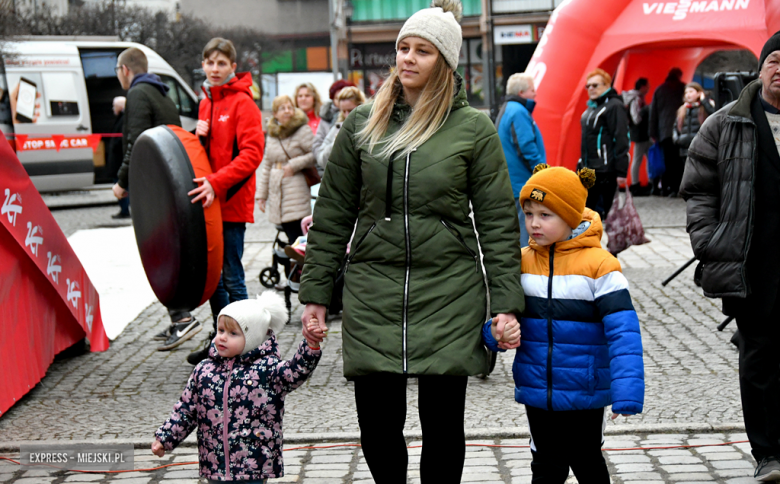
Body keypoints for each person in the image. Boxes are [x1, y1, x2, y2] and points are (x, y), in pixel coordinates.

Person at [298, 0, 524, 481]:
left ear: (444, 62)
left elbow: (499, 222)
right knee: (378, 429)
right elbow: (333, 213)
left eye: (422, 50)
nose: (407, 58)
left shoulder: (473, 129)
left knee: (443, 430)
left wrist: (506, 302)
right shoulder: (362, 123)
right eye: (403, 47)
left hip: (449, 292)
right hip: (373, 290)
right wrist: (316, 293)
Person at [485, 164, 644, 483]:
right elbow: (494, 316)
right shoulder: (521, 262)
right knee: (545, 465)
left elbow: (623, 332)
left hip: (585, 388)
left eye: (545, 215)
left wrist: (627, 390)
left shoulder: (601, 266)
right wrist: (495, 333)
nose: (533, 223)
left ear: (571, 215)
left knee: (587, 460)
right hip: (536, 389)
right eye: (529, 213)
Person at [679, 31, 780, 482]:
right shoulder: (724, 123)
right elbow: (699, 190)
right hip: (751, 264)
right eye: (775, 60)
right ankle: (767, 452)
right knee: (758, 354)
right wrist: (710, 243)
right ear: (760, 69)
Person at [151, 291, 321, 483]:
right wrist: (165, 438)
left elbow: (295, 371)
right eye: (220, 330)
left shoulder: (267, 370)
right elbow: (186, 410)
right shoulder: (204, 371)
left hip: (254, 464)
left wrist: (310, 345)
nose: (222, 337)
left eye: (233, 333)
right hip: (215, 463)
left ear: (252, 339)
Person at [109, 47, 201, 349]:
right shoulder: (160, 91)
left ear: (125, 69)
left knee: (158, 250)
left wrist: (122, 182)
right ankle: (177, 316)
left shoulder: (138, 94)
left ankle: (181, 317)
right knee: (167, 248)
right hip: (166, 181)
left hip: (150, 185)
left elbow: (135, 142)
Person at [186, 38, 265, 365]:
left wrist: (217, 184)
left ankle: (252, 344)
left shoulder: (243, 103)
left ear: (233, 67)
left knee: (231, 277)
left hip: (229, 201)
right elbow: (207, 153)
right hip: (209, 201)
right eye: (209, 63)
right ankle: (223, 342)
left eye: (221, 64)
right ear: (202, 65)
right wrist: (198, 135)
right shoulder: (206, 101)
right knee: (213, 278)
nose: (215, 69)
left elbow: (252, 154)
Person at [256, 95, 316, 291]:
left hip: (296, 186)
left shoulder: (302, 129)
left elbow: (313, 153)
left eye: (290, 107)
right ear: (275, 114)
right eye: (282, 108)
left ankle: (302, 278)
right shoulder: (273, 134)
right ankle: (293, 275)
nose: (287, 111)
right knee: (288, 234)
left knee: (297, 235)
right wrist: (261, 194)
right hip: (278, 189)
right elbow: (266, 164)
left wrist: (294, 164)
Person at [495, 72, 546, 247]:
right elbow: (526, 148)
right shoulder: (518, 112)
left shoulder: (508, 108)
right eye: (532, 90)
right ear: (522, 92)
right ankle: (528, 268)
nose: (535, 94)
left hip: (514, 181)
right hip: (522, 182)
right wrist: (542, 172)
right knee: (527, 227)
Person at [580, 68, 630, 221]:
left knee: (608, 214)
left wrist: (621, 171)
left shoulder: (614, 106)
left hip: (606, 169)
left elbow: (622, 138)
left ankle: (609, 243)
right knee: (587, 214)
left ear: (607, 85)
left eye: (595, 85)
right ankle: (591, 243)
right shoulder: (592, 108)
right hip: (588, 168)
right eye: (588, 86)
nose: (591, 89)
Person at [649, 67, 686, 196]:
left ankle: (670, 188)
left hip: (664, 131)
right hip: (681, 130)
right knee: (680, 160)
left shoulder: (659, 90)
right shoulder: (683, 88)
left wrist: (653, 132)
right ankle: (681, 186)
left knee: (668, 161)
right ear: (679, 76)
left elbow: (653, 112)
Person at [316, 86, 366, 169]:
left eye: (350, 111)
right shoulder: (337, 128)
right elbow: (321, 160)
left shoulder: (369, 128)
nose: (347, 115)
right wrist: (336, 143)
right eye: (343, 111)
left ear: (360, 106)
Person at [312, 79, 355, 163]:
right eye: (338, 98)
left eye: (346, 97)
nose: (341, 102)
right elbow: (318, 148)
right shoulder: (326, 118)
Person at [622, 78, 652, 196]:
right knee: (638, 158)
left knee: (647, 156)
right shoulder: (636, 98)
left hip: (639, 133)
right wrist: (645, 111)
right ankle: (635, 184)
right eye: (647, 86)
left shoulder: (634, 97)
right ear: (642, 86)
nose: (649, 88)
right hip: (640, 133)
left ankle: (648, 181)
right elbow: (636, 118)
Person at [673, 82, 715, 159]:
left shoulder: (704, 107)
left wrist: (704, 101)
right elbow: (675, 127)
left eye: (691, 92)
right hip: (685, 149)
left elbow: (714, 115)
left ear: (699, 93)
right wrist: (677, 140)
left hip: (701, 149)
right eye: (686, 92)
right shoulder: (682, 109)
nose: (688, 95)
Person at [106, 96, 130, 219]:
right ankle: (124, 209)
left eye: (114, 106)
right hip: (118, 159)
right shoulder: (122, 118)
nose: (112, 109)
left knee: (122, 184)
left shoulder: (123, 119)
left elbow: (120, 140)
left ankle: (125, 210)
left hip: (119, 159)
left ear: (120, 107)